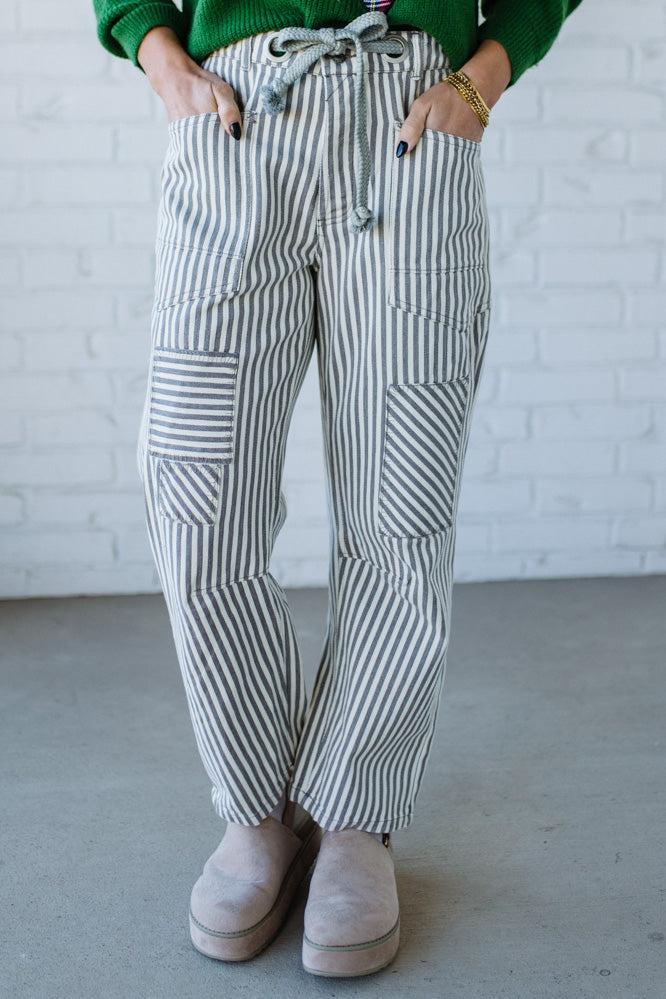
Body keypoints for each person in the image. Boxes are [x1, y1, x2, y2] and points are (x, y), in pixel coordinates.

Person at [93, 0, 582, 978]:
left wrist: (480, 79)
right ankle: (258, 810)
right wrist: (164, 65)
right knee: (197, 486)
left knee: (400, 499)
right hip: (235, 118)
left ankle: (357, 811)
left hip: (411, 115)